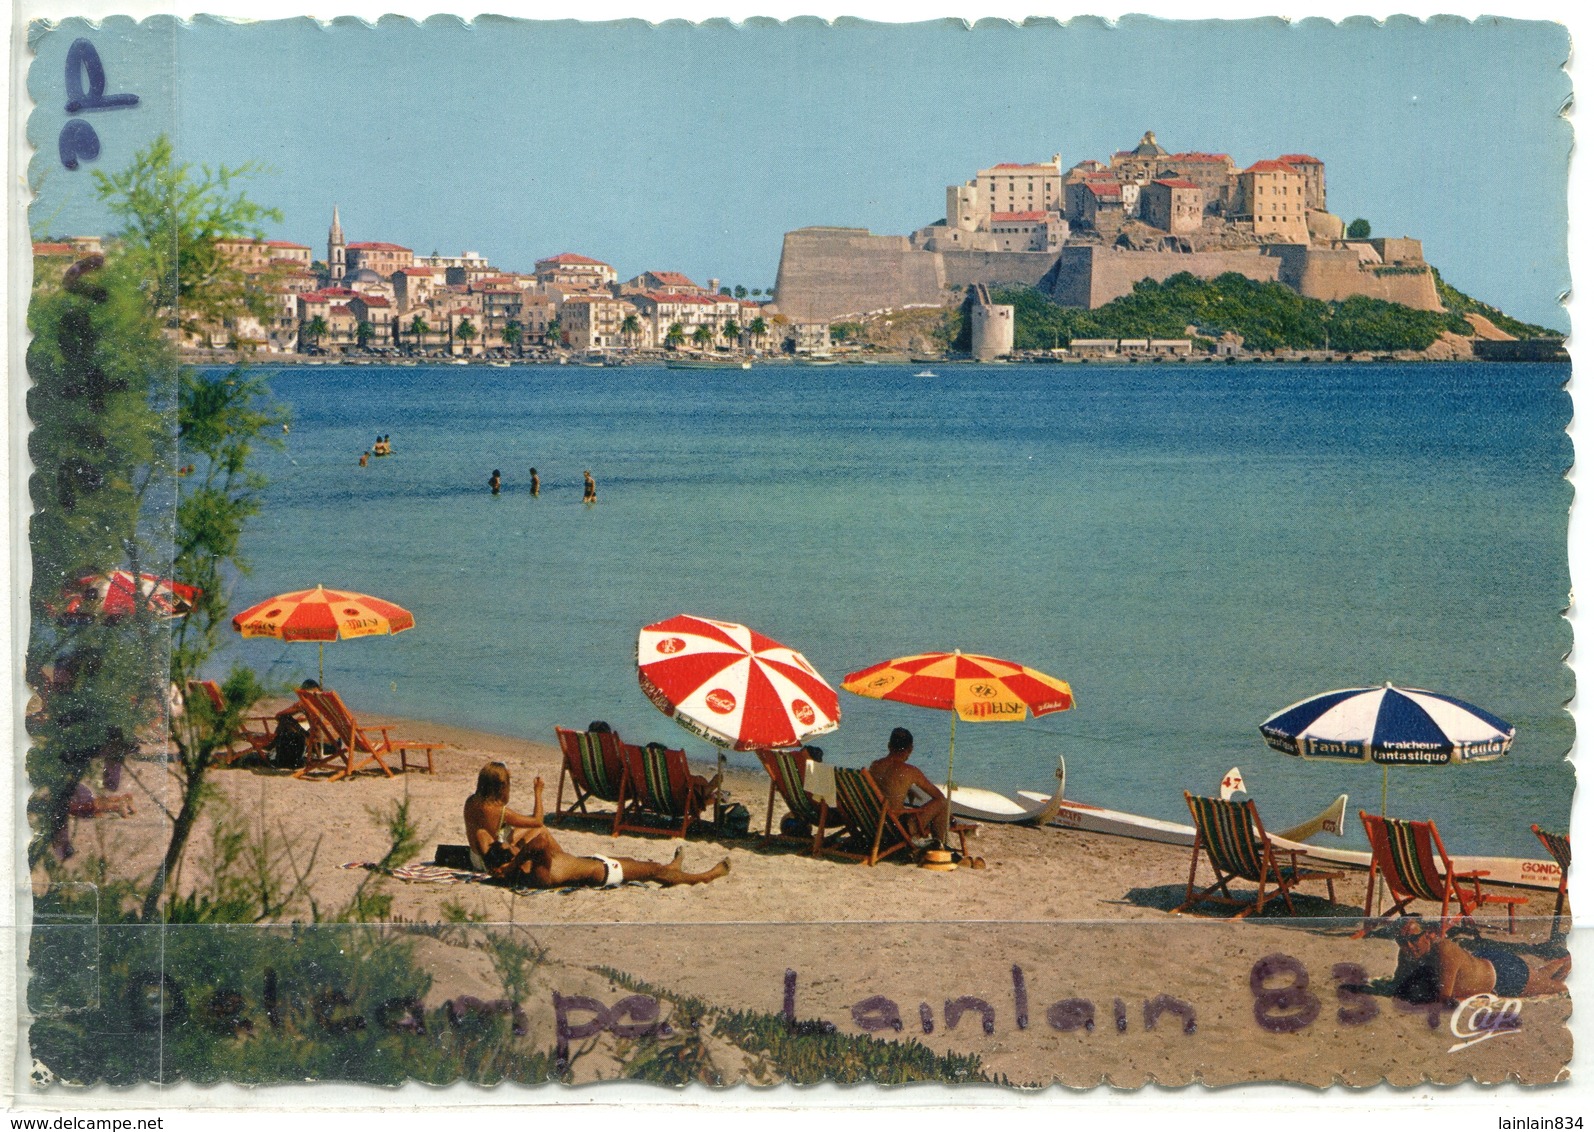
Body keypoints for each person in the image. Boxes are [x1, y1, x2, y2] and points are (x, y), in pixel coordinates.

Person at [463, 761, 729, 888]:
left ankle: (672, 869)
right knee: (650, 869)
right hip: (600, 871)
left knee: (638, 864)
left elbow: (487, 839)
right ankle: (702, 877)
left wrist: (507, 855)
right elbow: (540, 840)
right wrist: (511, 861)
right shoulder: (532, 869)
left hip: (581, 863)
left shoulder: (528, 869)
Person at [1392, 918, 1571, 1004]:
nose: (1408, 945)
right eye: (1401, 941)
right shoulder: (1408, 953)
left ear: (1429, 934)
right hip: (1484, 961)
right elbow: (1397, 986)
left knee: (1560, 988)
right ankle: (1564, 961)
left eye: (1413, 939)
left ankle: (1569, 961)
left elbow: (1444, 999)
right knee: (1540, 977)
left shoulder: (1444, 951)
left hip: (1502, 975)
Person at [868, 727, 949, 844]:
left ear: (889, 745)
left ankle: (939, 846)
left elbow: (885, 786)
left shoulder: (875, 765)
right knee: (942, 803)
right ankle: (940, 846)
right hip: (897, 828)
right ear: (910, 749)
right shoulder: (911, 771)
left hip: (874, 823)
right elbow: (939, 796)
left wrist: (908, 789)